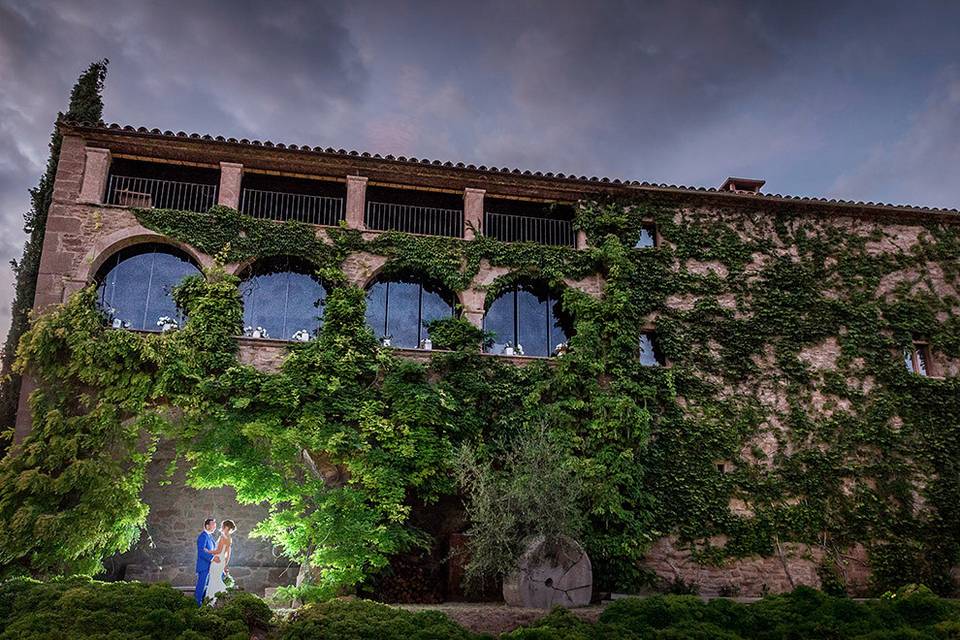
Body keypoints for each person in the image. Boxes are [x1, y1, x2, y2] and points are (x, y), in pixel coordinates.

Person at [204, 519, 236, 605]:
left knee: (213, 580)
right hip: (221, 562)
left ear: (226, 527)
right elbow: (228, 554)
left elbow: (218, 551)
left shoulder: (222, 537)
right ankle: (219, 599)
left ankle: (212, 601)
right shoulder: (229, 538)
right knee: (216, 579)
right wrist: (225, 564)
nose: (221, 527)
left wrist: (207, 551)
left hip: (217, 561)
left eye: (222, 526)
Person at [194, 517, 217, 606]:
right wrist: (212, 558)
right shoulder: (203, 536)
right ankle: (197, 605)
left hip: (210, 566)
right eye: (213, 524)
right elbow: (201, 552)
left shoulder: (210, 537)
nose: (215, 526)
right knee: (201, 586)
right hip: (204, 566)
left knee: (207, 586)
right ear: (207, 526)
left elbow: (212, 550)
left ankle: (203, 603)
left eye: (215, 525)